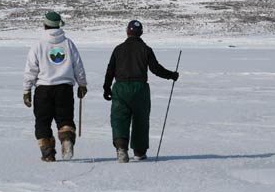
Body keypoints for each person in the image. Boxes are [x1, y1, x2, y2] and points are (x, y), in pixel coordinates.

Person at [103, 20, 179, 163]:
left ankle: (121, 148)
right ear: (141, 33)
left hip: (120, 88)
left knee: (119, 118)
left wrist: (106, 87)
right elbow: (156, 69)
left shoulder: (118, 49)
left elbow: (110, 70)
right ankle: (139, 152)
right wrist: (172, 75)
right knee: (141, 120)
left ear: (127, 31)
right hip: (140, 88)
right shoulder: (146, 49)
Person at [23, 11, 87, 162]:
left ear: (44, 24)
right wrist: (82, 84)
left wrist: (27, 90)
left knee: (42, 122)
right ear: (59, 25)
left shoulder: (38, 45)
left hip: (43, 89)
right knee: (65, 119)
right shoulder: (68, 43)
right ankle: (66, 140)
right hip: (64, 88)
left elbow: (31, 69)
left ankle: (48, 154)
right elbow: (78, 66)